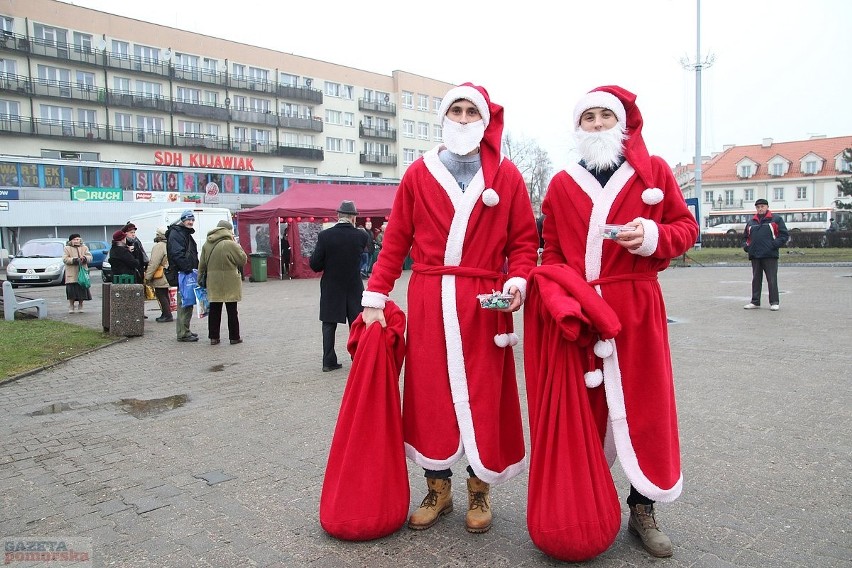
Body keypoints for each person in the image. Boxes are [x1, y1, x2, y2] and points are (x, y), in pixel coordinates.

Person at [360, 83, 539, 534]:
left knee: (485, 392)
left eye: (470, 111)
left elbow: (523, 243)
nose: (462, 118)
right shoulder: (418, 175)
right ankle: (437, 487)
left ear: (484, 121)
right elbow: (394, 242)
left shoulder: (508, 177)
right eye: (455, 110)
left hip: (485, 303)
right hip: (430, 298)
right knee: (429, 392)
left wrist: (518, 280)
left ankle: (480, 489)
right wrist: (375, 297)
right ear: (444, 119)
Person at [534, 85, 699, 558]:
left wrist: (651, 235)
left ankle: (643, 507)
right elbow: (554, 253)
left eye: (607, 117)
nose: (599, 125)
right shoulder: (562, 184)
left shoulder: (655, 173)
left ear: (623, 123)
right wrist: (556, 297)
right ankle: (588, 503)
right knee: (584, 409)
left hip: (636, 307)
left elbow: (686, 230)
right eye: (589, 118)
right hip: (583, 310)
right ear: (578, 127)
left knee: (646, 407)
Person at [309, 200, 368, 372]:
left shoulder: (325, 236)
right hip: (353, 285)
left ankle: (328, 361)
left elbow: (315, 265)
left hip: (331, 286)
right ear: (352, 217)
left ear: (338, 216)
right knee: (356, 323)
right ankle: (357, 358)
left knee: (329, 324)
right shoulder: (361, 236)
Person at [199, 220, 248, 345]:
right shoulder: (230, 244)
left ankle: (214, 337)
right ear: (228, 230)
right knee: (232, 310)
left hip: (213, 281)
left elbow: (202, 265)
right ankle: (234, 337)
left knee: (214, 310)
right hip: (230, 281)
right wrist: (237, 245)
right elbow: (242, 260)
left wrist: (200, 279)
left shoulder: (207, 243)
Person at [742, 198, 789, 311]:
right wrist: (747, 247)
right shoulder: (751, 222)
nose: (760, 209)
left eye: (762, 206)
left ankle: (774, 302)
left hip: (770, 254)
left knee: (772, 279)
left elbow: (784, 235)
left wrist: (773, 245)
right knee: (756, 279)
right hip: (755, 254)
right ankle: (755, 301)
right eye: (758, 207)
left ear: (767, 207)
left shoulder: (776, 219)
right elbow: (745, 238)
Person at [167, 210, 200, 342]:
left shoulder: (184, 233)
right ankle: (182, 332)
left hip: (187, 272)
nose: (191, 222)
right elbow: (177, 254)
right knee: (184, 302)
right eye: (188, 219)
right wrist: (187, 268)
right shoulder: (177, 234)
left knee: (188, 302)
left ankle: (185, 330)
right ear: (183, 220)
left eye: (192, 220)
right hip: (183, 274)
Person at [144, 226, 173, 323]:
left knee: (160, 293)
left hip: (161, 273)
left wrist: (147, 276)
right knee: (164, 293)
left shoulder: (159, 246)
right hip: (168, 272)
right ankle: (165, 313)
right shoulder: (169, 244)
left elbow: (154, 263)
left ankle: (167, 314)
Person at [62, 233, 92, 313]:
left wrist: (84, 259)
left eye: (78, 239)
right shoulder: (67, 248)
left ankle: (81, 305)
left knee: (81, 290)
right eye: (74, 239)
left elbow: (90, 257)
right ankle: (71, 305)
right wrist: (75, 260)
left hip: (82, 273)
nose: (76, 241)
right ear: (71, 241)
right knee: (71, 291)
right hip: (72, 274)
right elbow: (65, 259)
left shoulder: (84, 248)